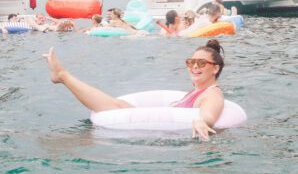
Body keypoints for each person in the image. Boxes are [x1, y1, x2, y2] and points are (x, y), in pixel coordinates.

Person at [44, 39, 227, 140]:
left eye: (201, 63)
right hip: (163, 124)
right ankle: (62, 76)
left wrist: (203, 121)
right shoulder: (196, 90)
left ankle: (63, 76)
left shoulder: (212, 93)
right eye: (191, 62)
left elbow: (210, 113)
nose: (195, 66)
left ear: (215, 68)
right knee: (120, 104)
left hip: (167, 132)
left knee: (115, 106)